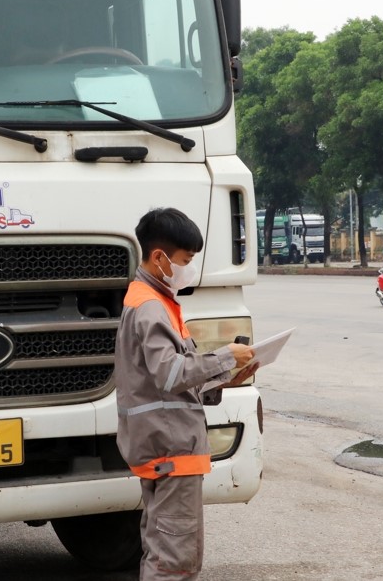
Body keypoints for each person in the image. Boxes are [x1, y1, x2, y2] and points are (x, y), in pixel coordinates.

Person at [114, 207, 258, 580]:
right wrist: (225, 355)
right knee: (173, 559)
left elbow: (179, 378)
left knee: (166, 547)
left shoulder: (156, 301)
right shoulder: (150, 307)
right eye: (185, 260)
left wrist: (229, 373)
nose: (189, 268)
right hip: (170, 447)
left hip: (166, 443)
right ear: (159, 257)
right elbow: (170, 373)